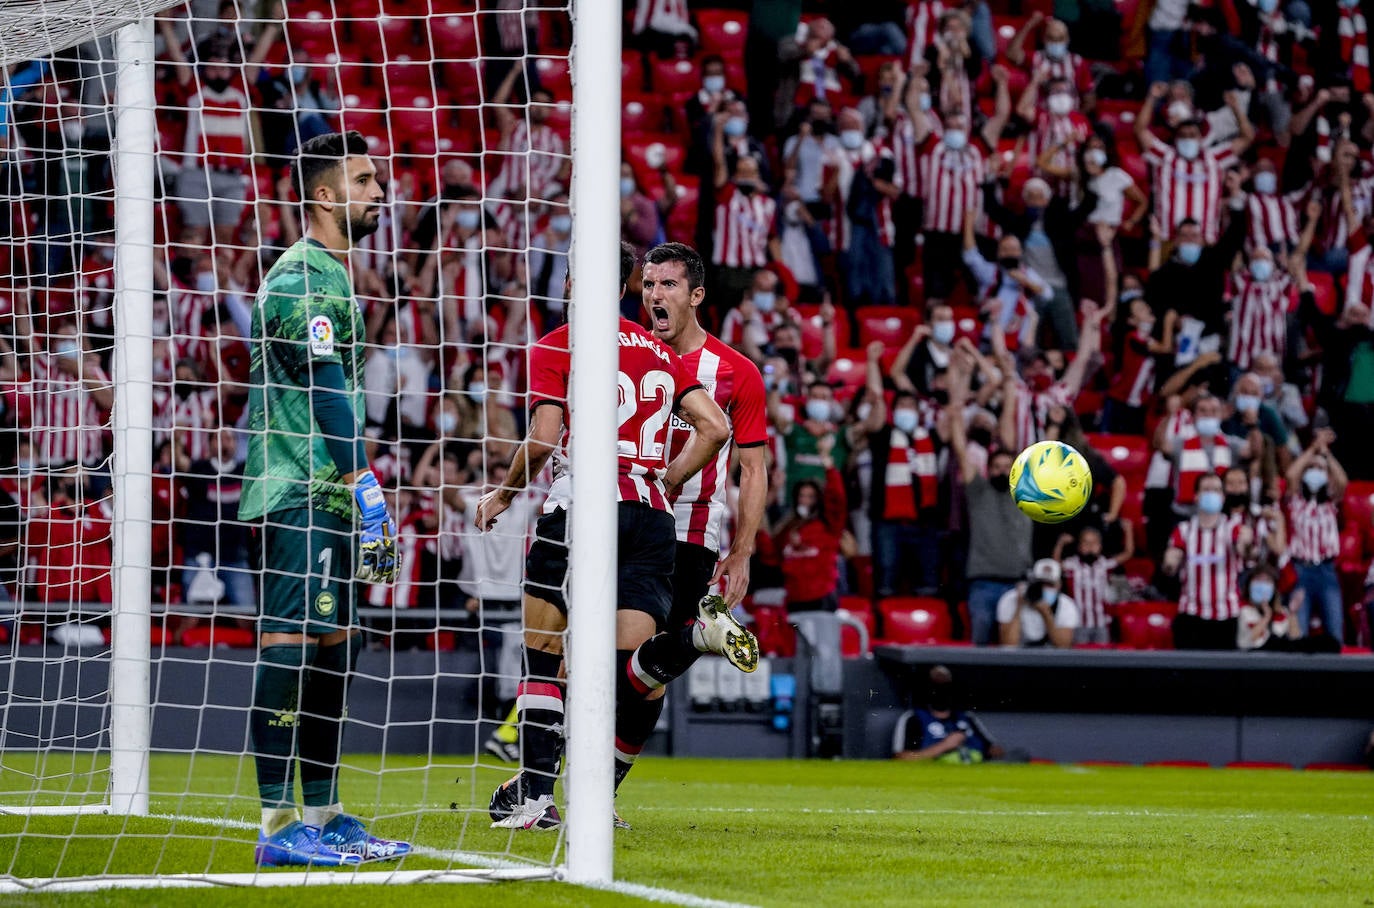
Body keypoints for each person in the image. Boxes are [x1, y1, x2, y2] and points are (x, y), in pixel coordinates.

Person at [479, 243, 733, 831]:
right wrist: (663, 481)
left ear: (572, 280)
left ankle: (538, 798)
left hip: (582, 508)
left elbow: (543, 440)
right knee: (628, 672)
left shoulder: (557, 342)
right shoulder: (660, 353)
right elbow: (714, 427)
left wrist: (503, 495)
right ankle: (688, 640)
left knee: (543, 655)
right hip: (650, 518)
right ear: (627, 288)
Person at [237, 131, 408, 867]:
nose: (380, 192)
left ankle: (326, 812)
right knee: (293, 646)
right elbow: (326, 388)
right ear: (326, 195)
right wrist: (360, 478)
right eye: (366, 181)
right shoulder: (299, 277)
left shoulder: (335, 278)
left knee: (337, 652)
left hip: (328, 496)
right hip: (297, 488)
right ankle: (277, 825)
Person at [612, 241, 770, 810]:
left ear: (696, 295)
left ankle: (589, 791)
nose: (653, 295)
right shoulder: (621, 350)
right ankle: (703, 635)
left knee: (644, 671)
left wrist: (743, 550)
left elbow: (752, 469)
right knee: (631, 665)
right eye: (648, 284)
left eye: (668, 285)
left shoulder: (736, 373)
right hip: (619, 516)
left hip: (688, 531)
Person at [947, 346, 1033, 645]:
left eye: (1006, 466)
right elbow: (960, 449)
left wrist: (1009, 390)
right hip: (983, 583)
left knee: (1018, 654)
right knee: (980, 648)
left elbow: (1008, 432)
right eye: (995, 466)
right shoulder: (978, 490)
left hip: (1019, 584)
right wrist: (956, 416)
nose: (1000, 470)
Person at [1162, 473, 1256, 650]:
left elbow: (1247, 553)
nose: (1212, 494)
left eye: (1216, 490)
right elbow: (1171, 563)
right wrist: (1170, 561)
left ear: (1222, 497)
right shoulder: (1184, 531)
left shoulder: (1233, 529)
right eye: (1206, 490)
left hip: (1225, 617)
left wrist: (1248, 544)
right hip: (1191, 616)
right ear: (1196, 496)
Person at [1284, 428, 1348, 643]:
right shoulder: (1296, 502)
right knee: (1297, 632)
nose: (1315, 471)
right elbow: (1291, 475)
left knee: (1335, 632)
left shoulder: (1331, 503)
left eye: (1319, 469)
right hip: (1300, 570)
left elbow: (1342, 481)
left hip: (1327, 571)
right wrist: (1312, 449)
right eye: (1311, 468)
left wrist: (1325, 454)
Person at [892, 665, 995, 763]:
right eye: (937, 685)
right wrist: (944, 746)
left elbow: (995, 750)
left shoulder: (967, 718)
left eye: (946, 684)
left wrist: (975, 749)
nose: (942, 690)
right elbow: (901, 757)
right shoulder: (914, 719)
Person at [997, 559, 1080, 648]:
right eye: (1040, 583)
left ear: (1059, 586)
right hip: (1019, 657)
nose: (1044, 588)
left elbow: (1063, 645)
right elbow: (1008, 644)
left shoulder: (1066, 605)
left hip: (1052, 658)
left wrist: (1046, 614)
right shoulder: (1010, 599)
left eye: (1050, 584)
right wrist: (1019, 606)